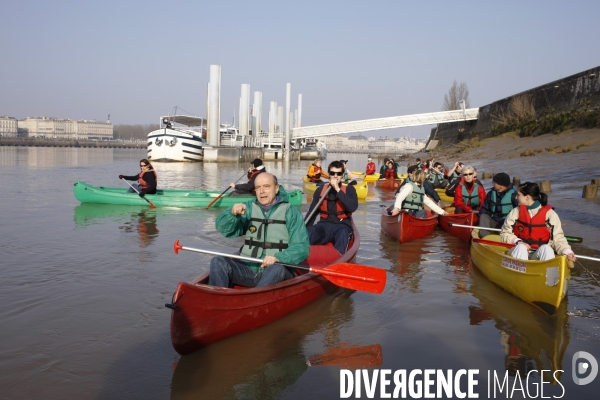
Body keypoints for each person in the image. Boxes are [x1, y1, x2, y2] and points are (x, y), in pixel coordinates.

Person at [208, 173, 310, 288]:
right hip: (249, 268)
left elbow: (301, 247)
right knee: (218, 261)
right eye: (258, 187)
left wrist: (279, 258)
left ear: (276, 189)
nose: (262, 191)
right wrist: (231, 214)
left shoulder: (291, 212)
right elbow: (224, 229)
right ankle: (218, 298)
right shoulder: (248, 207)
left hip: (276, 269)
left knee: (277, 269)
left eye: (266, 186)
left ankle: (254, 299)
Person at [500, 182, 576, 262]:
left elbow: (558, 238)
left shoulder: (550, 214)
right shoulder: (515, 212)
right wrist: (518, 242)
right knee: (521, 248)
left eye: (518, 195)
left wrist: (567, 252)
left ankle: (547, 273)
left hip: (537, 254)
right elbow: (505, 233)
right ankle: (520, 272)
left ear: (527, 197)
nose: (516, 197)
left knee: (546, 249)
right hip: (517, 251)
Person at [305, 160, 358, 255]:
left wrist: (338, 189)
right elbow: (311, 214)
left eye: (339, 173)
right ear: (329, 174)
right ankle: (303, 259)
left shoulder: (349, 189)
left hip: (342, 226)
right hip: (324, 225)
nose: (335, 176)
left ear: (342, 175)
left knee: (343, 234)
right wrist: (302, 231)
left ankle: (337, 261)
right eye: (333, 173)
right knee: (310, 231)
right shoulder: (320, 190)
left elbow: (352, 207)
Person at [478, 172, 519, 238]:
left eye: (494, 182)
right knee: (483, 216)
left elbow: (520, 211)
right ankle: (485, 238)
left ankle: (507, 237)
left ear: (501, 185)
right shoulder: (491, 193)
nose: (493, 184)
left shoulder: (514, 195)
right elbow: (484, 209)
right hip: (494, 222)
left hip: (506, 224)